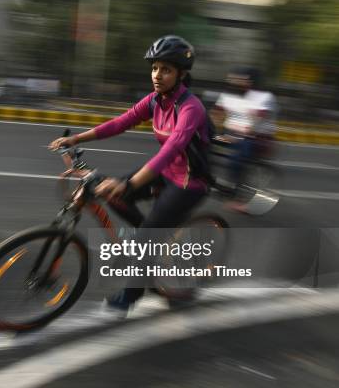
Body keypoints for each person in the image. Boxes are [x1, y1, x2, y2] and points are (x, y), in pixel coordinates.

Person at [49, 35, 210, 312]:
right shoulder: (154, 101)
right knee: (110, 195)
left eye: (166, 69)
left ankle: (132, 293)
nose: (157, 75)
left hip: (188, 182)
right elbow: (120, 123)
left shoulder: (190, 108)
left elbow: (170, 150)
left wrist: (129, 183)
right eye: (155, 68)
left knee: (144, 234)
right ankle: (148, 239)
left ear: (181, 74)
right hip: (164, 171)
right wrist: (76, 139)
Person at [214, 67, 278, 206]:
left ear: (250, 82)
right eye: (233, 78)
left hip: (259, 138)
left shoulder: (264, 97)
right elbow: (217, 113)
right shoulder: (228, 96)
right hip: (232, 135)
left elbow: (256, 121)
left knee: (237, 159)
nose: (234, 81)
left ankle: (237, 194)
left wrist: (238, 136)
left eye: (240, 79)